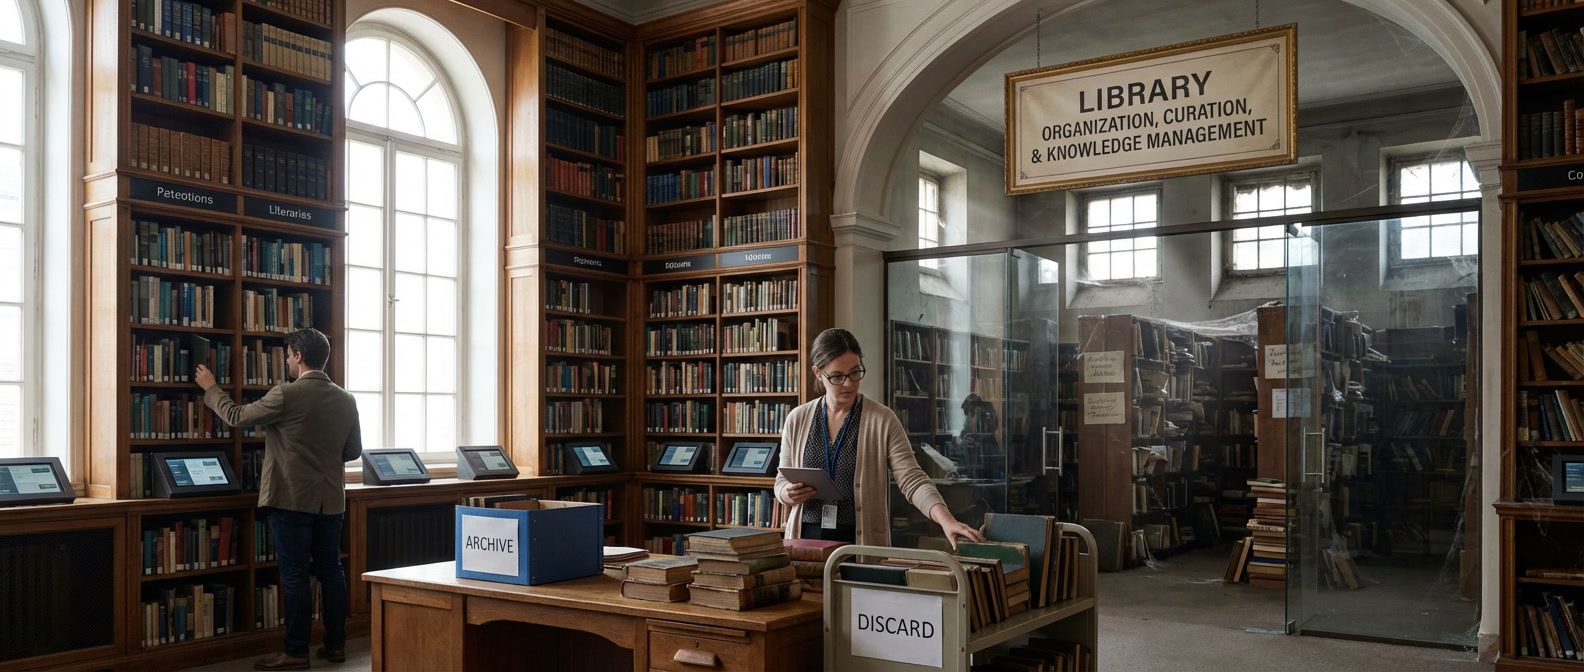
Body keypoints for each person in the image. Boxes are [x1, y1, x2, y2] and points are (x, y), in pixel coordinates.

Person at [194, 328, 360, 671]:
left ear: (298, 356)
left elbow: (237, 417)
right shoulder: (346, 399)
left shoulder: (286, 394)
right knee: (332, 572)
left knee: (296, 575)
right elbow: (353, 451)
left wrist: (211, 387)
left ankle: (296, 651)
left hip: (292, 500)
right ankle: (336, 645)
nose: (286, 360)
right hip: (331, 502)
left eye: (287, 355)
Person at [774, 327, 984, 548]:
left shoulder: (883, 420)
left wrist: (946, 521)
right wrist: (788, 494)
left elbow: (912, 480)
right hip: (805, 539)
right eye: (837, 376)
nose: (849, 383)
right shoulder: (797, 419)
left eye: (855, 372)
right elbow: (781, 482)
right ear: (818, 373)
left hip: (858, 541)